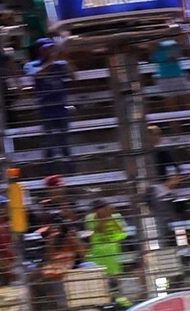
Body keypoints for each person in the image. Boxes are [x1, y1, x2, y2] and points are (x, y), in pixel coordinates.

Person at [25, 38, 74, 170]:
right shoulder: (32, 64)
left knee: (64, 141)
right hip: (45, 108)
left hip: (61, 106)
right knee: (49, 141)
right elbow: (36, 76)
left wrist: (66, 58)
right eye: (46, 48)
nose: (50, 50)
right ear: (40, 50)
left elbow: (73, 75)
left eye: (51, 48)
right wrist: (52, 61)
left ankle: (70, 170)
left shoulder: (60, 64)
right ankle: (49, 171)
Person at [85, 200, 128, 276]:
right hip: (97, 250)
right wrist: (105, 218)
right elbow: (99, 230)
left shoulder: (117, 216)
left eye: (104, 209)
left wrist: (110, 216)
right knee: (99, 273)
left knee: (114, 272)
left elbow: (121, 230)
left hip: (112, 248)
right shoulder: (90, 218)